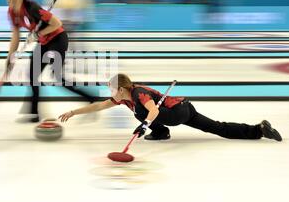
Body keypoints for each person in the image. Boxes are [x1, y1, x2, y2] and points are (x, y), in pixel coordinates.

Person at [59, 73, 282, 142]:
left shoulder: (138, 93)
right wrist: (73, 112)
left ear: (121, 88)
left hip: (177, 113)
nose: (109, 92)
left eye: (111, 88)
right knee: (217, 127)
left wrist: (145, 126)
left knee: (142, 112)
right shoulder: (124, 98)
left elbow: (153, 111)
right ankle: (258, 130)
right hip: (184, 109)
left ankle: (161, 130)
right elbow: (98, 106)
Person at [4, 0, 96, 123]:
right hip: (44, 42)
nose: (11, 5)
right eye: (8, 1)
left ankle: (91, 99)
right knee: (32, 75)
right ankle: (34, 114)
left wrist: (37, 34)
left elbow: (57, 24)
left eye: (14, 1)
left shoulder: (32, 8)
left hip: (58, 40)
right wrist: (10, 57)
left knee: (58, 77)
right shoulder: (12, 12)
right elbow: (15, 35)